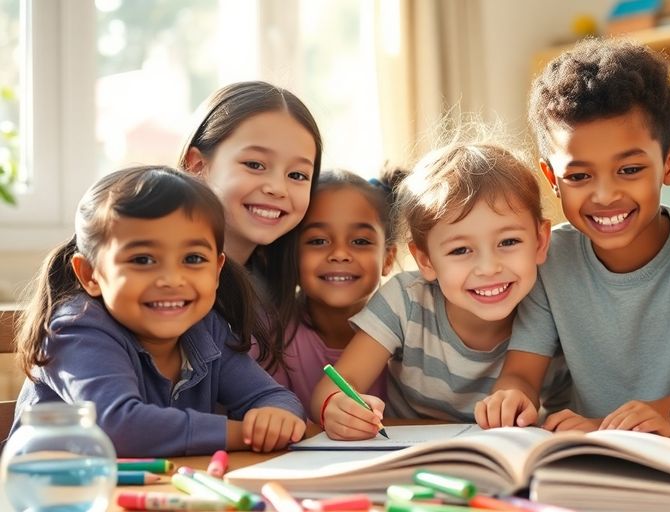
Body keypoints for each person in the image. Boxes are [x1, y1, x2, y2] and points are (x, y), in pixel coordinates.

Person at [476, 38, 670, 436]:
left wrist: (614, 423)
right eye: (579, 177)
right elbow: (521, 375)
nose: (604, 196)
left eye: (629, 170)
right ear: (552, 180)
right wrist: (511, 397)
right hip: (587, 456)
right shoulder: (551, 259)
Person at [12, 166, 306, 457]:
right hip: (56, 496)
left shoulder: (206, 329)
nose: (172, 279)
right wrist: (245, 434)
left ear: (216, 270)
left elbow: (272, 396)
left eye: (193, 258)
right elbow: (120, 426)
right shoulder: (75, 329)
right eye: (142, 259)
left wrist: (276, 416)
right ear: (90, 274)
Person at [312, 140, 556, 440]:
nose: (489, 267)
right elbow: (338, 383)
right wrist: (336, 407)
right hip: (409, 453)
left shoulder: (546, 300)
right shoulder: (405, 300)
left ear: (540, 241)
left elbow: (523, 383)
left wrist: (514, 401)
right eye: (461, 250)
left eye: (508, 242)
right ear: (425, 260)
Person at [178, 81, 323, 374]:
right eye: (255, 165)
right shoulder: (161, 280)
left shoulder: (270, 291)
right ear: (197, 166)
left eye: (297, 174)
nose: (277, 188)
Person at [264, 168, 399, 418]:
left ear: (388, 258)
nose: (339, 254)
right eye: (318, 241)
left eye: (360, 241)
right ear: (291, 255)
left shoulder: (409, 331)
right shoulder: (269, 336)